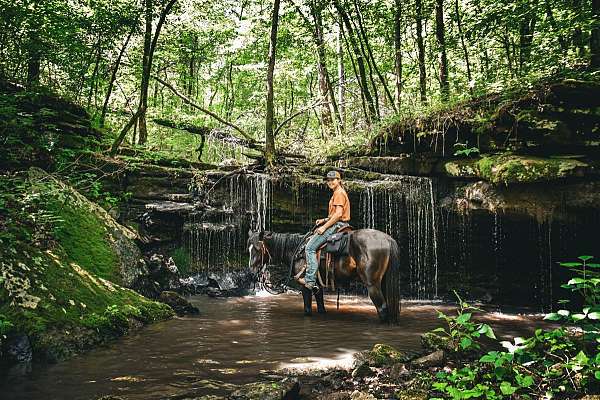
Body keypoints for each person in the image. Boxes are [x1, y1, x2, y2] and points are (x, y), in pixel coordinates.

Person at [299, 170, 351, 290]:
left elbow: (338, 215)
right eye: (328, 180)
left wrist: (324, 227)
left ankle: (310, 279)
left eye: (333, 180)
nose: (330, 182)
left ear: (339, 180)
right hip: (339, 223)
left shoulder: (339, 193)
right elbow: (336, 214)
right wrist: (324, 219)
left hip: (337, 225)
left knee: (310, 248)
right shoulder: (338, 192)